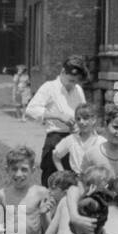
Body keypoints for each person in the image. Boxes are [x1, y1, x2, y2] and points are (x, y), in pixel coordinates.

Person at [24, 55, 87, 187]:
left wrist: (79, 125)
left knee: (73, 181)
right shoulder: (49, 87)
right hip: (55, 138)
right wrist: (57, 115)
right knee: (52, 181)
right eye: (70, 80)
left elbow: (84, 112)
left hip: (75, 139)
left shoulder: (78, 90)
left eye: (76, 81)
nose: (73, 84)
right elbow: (31, 110)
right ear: (63, 72)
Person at [51, 102, 102, 175]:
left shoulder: (101, 141)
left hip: (95, 179)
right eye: (78, 119)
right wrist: (63, 173)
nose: (81, 122)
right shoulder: (71, 139)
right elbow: (55, 155)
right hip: (77, 179)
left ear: (94, 120)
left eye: (85, 118)